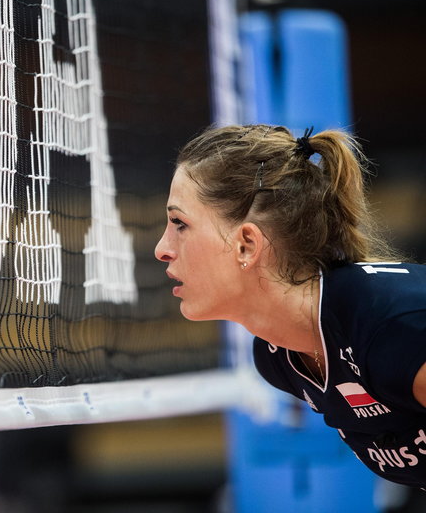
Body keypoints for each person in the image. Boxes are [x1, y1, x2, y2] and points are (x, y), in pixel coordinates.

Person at [153, 124, 426, 488]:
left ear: (247, 244)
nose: (162, 249)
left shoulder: (390, 327)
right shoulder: (277, 358)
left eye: (179, 223)